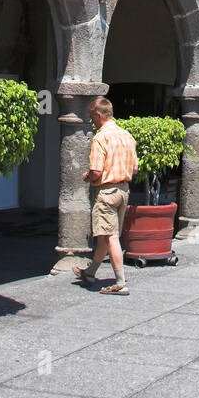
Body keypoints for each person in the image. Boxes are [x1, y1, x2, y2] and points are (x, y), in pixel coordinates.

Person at [77, 96, 137, 295]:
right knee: (106, 233)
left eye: (92, 117)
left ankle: (120, 282)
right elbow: (135, 168)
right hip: (124, 190)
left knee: (111, 236)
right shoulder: (127, 136)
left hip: (107, 191)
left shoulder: (100, 137)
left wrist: (87, 177)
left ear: (98, 115)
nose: (92, 121)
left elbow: (96, 172)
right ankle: (90, 273)